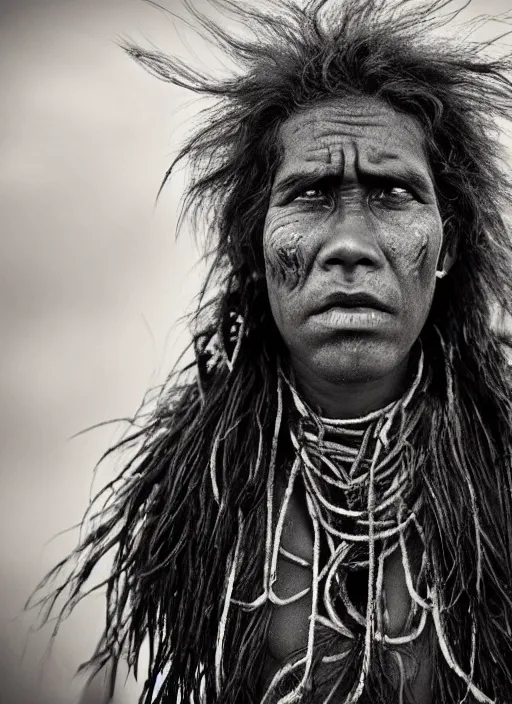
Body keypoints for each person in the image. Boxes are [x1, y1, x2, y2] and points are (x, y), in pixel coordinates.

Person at [30, 0, 512, 702]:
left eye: (393, 192)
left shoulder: (499, 476)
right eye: (311, 194)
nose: (349, 245)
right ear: (253, 253)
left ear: (448, 248)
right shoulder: (186, 515)